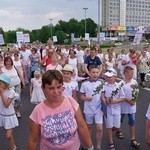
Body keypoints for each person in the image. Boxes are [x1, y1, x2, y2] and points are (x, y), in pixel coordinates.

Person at [27, 70, 93, 150]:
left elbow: (82, 126)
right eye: (51, 88)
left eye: (58, 87)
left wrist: (90, 147)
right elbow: (33, 140)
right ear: (43, 88)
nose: (55, 92)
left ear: (62, 86)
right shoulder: (38, 111)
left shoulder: (71, 102)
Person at [80, 65, 104, 150]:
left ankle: (98, 146)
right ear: (89, 73)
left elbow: (103, 95)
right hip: (89, 109)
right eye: (93, 72)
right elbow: (81, 97)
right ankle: (89, 145)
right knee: (89, 127)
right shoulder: (84, 84)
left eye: (97, 72)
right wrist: (86, 98)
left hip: (98, 109)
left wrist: (105, 105)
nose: (95, 74)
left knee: (100, 129)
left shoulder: (101, 82)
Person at [101, 68, 125, 150]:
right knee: (109, 127)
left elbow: (123, 98)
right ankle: (111, 142)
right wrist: (105, 101)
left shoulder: (119, 86)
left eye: (110, 76)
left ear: (115, 77)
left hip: (117, 109)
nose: (108, 78)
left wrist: (114, 100)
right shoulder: (104, 85)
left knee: (117, 126)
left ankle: (112, 131)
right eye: (107, 76)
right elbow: (102, 96)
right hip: (108, 110)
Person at [116, 66, 140, 149]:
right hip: (123, 107)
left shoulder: (135, 82)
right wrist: (127, 100)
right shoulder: (120, 84)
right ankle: (118, 130)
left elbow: (137, 91)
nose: (132, 75)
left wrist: (134, 100)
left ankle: (133, 139)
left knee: (132, 122)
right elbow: (119, 96)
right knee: (119, 121)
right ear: (125, 74)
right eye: (130, 73)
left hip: (132, 107)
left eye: (133, 73)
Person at [0, 74, 19, 150]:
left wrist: (1, 94)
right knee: (8, 135)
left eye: (0, 83)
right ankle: (12, 146)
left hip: (9, 115)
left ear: (5, 84)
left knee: (8, 135)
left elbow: (6, 105)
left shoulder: (11, 92)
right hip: (2, 115)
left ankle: (13, 148)